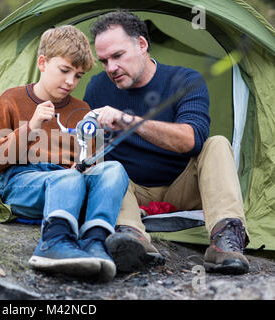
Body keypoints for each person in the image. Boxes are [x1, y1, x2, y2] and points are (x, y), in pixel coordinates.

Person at [84, 11, 250, 275]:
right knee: (103, 168)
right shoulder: (97, 88)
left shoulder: (185, 80)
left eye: (117, 56)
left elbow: (191, 140)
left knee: (216, 143)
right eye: (103, 61)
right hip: (131, 190)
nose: (110, 68)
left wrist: (128, 120)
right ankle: (131, 238)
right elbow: (89, 147)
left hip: (184, 187)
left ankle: (225, 242)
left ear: (141, 45)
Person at [0, 25, 128, 281]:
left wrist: (89, 163)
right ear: (43, 63)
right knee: (67, 178)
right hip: (23, 180)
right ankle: (53, 243)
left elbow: (93, 163)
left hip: (71, 180)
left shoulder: (82, 110)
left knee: (115, 169)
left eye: (78, 76)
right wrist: (31, 127)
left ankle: (95, 242)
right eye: (65, 71)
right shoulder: (11, 100)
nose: (71, 82)